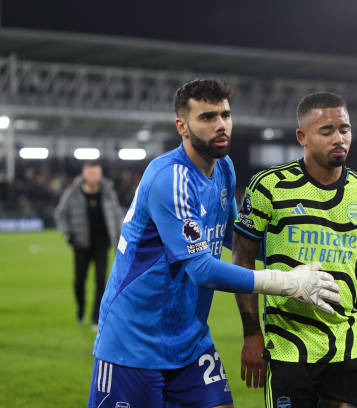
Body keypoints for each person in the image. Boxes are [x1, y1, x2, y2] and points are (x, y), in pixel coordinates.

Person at [87, 79, 340, 408]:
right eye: (207, 117)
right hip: (134, 342)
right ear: (182, 126)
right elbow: (201, 270)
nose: (221, 125)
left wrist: (300, 254)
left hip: (190, 339)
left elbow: (232, 238)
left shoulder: (224, 168)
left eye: (225, 115)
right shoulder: (170, 178)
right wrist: (287, 282)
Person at [232, 92, 357, 407]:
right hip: (287, 348)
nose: (339, 138)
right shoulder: (269, 187)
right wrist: (251, 334)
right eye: (327, 131)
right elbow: (242, 258)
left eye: (344, 129)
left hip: (348, 348)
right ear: (302, 137)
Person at [54, 161, 122, 328]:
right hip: (81, 243)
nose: (94, 176)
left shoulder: (108, 192)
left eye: (96, 173)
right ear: (84, 175)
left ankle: (95, 317)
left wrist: (119, 238)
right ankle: (81, 308)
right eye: (91, 173)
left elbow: (116, 215)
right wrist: (67, 234)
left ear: (100, 174)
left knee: (101, 280)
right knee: (79, 281)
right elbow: (60, 215)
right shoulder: (72, 193)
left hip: (102, 242)